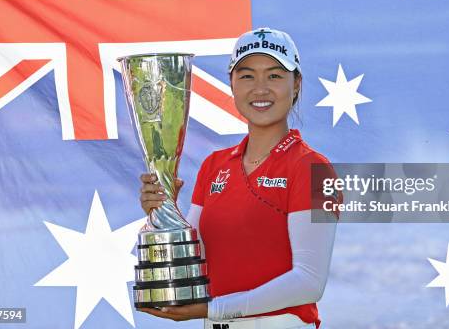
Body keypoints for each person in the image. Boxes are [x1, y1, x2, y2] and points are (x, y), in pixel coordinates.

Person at [137, 28, 340, 329]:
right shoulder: (214, 165)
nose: (260, 88)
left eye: (274, 76)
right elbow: (195, 264)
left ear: (296, 84)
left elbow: (310, 282)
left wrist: (213, 309)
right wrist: (163, 214)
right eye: (246, 76)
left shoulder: (315, 169)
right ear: (231, 85)